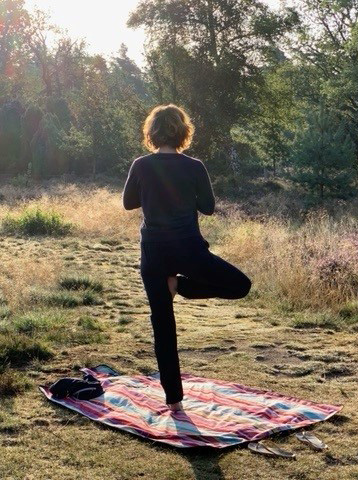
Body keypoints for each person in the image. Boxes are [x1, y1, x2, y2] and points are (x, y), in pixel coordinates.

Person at [122, 104, 252, 412]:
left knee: (162, 325)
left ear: (151, 133)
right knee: (240, 286)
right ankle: (180, 287)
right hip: (189, 250)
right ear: (183, 132)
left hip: (154, 253)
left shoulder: (141, 165)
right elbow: (208, 207)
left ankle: (175, 403)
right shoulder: (194, 166)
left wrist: (155, 194)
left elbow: (129, 203)